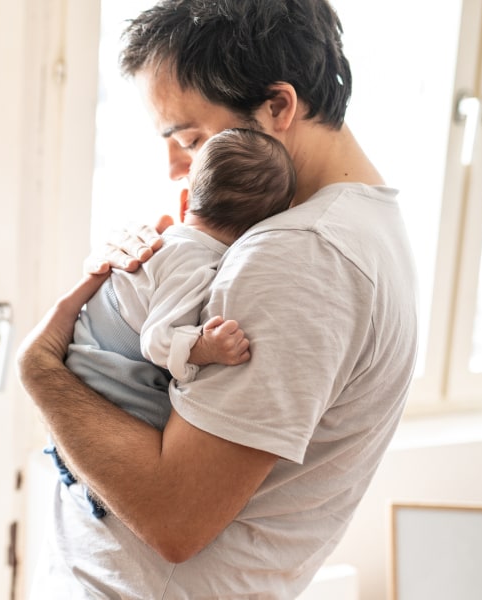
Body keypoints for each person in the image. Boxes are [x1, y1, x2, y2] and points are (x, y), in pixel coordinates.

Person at [16, 0, 418, 598]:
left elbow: (173, 515)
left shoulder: (300, 254)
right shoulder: (340, 225)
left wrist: (41, 368)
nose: (178, 167)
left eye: (190, 137)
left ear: (278, 105)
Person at [47, 128, 296, 519]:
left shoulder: (168, 239)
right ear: (255, 233)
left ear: (185, 201)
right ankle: (92, 490)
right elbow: (157, 342)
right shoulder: (194, 263)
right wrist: (205, 347)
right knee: (156, 439)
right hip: (105, 372)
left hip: (89, 353)